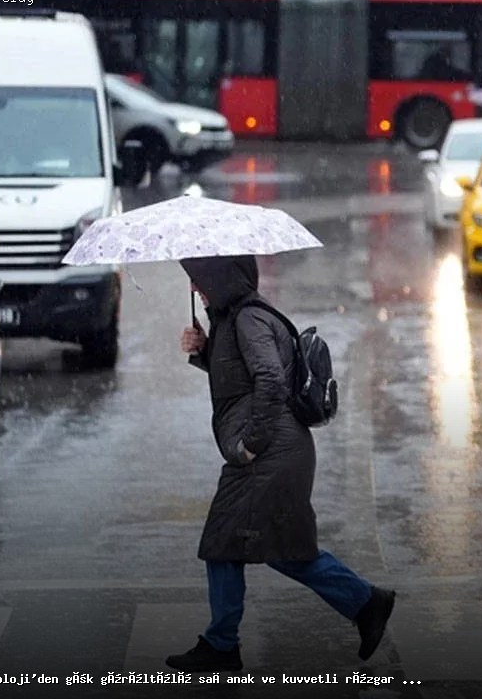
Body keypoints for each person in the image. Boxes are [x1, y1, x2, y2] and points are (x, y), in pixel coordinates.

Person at [167, 255, 395, 672]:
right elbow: (240, 379)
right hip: (277, 452)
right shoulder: (236, 317)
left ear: (220, 278)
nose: (197, 289)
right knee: (280, 548)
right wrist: (204, 351)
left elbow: (270, 380)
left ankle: (221, 645)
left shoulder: (248, 320)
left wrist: (250, 444)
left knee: (225, 544)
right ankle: (365, 602)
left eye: (200, 280)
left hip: (268, 453)